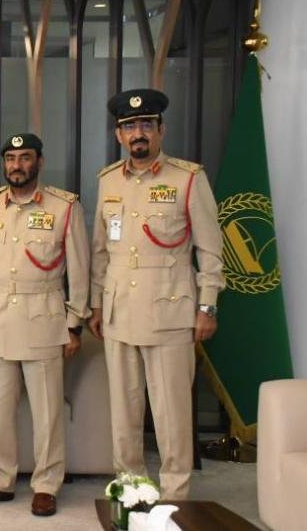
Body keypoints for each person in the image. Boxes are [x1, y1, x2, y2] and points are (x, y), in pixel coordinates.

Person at [88, 89, 223, 500]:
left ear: (161, 130)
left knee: (171, 412)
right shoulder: (109, 180)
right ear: (119, 135)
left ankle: (174, 495)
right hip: (118, 312)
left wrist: (207, 305)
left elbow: (210, 250)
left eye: (146, 124)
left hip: (169, 311)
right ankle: (130, 487)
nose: (138, 134)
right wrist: (96, 303)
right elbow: (100, 250)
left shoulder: (188, 179)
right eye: (130, 127)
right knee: (124, 410)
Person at [0, 133, 89, 517]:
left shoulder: (64, 206)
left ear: (39, 162)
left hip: (43, 319)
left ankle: (47, 484)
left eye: (25, 157)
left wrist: (74, 324)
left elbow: (80, 270)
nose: (17, 165)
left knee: (47, 411)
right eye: (11, 158)